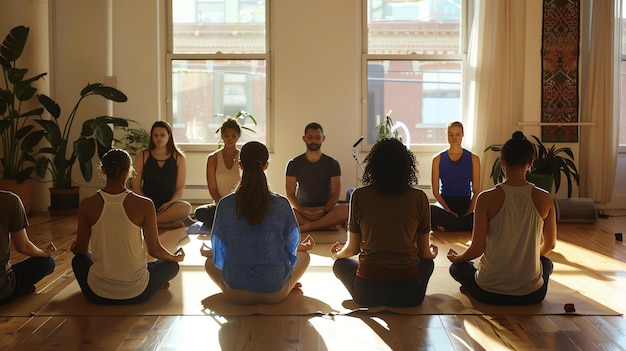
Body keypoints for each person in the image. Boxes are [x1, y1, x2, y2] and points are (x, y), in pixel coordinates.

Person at [447, 131, 557, 305]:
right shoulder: (545, 198)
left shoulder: (485, 198)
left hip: (488, 292)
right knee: (547, 264)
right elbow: (550, 244)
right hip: (532, 295)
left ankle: (470, 288)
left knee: (456, 268)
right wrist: (529, 259)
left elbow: (476, 249)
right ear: (530, 163)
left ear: (503, 162)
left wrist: (458, 258)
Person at [330, 138, 438, 307]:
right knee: (428, 263)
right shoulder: (420, 198)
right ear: (406, 166)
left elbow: (352, 249)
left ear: (374, 166)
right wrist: (433, 253)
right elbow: (424, 254)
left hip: (367, 292)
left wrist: (336, 254)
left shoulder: (359, 196)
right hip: (409, 295)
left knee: (340, 264)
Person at [202, 141, 311, 305]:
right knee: (305, 256)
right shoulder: (281, 204)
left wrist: (212, 253)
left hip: (236, 293)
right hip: (275, 292)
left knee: (209, 262)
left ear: (240, 165)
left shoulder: (225, 204)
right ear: (266, 166)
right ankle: (288, 284)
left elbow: (220, 251)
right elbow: (291, 247)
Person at [71, 149, 185, 305]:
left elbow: (81, 250)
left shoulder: (87, 204)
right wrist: (175, 257)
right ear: (129, 171)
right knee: (171, 266)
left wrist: (75, 247)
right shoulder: (144, 204)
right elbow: (155, 250)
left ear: (104, 170)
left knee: (79, 260)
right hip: (137, 293)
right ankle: (155, 282)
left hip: (96, 293)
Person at [285, 122, 349, 232]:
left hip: (326, 210)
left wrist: (324, 210)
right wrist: (301, 211)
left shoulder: (332, 163)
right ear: (304, 138)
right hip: (302, 210)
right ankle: (326, 225)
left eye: (317, 137)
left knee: (347, 209)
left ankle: (308, 227)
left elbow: (335, 193)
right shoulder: (294, 163)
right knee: (285, 211)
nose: (314, 141)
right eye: (310, 137)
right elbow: (290, 193)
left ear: (323, 138)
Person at [132, 121, 193, 228]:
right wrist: (148, 203)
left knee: (186, 208)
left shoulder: (179, 157)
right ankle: (164, 223)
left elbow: (179, 189)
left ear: (169, 136)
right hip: (146, 202)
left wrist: (169, 203)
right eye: (155, 135)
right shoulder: (142, 155)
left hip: (168, 205)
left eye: (162, 135)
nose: (159, 138)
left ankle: (152, 222)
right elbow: (136, 187)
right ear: (152, 137)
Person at [0, 191, 56, 304]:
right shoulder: (9, 201)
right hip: (2, 289)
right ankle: (19, 289)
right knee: (48, 263)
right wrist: (44, 253)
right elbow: (23, 246)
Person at [431, 121, 480, 232]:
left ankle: (450, 225)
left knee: (482, 215)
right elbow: (435, 192)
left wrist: (469, 212)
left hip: (465, 205)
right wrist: (449, 211)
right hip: (445, 204)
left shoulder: (474, 159)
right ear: (446, 135)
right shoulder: (437, 159)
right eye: (451, 134)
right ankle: (461, 225)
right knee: (430, 210)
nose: (454, 137)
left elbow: (476, 191)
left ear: (463, 134)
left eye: (457, 134)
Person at [194, 117, 242, 228]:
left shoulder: (242, 157)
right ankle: (231, 221)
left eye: (233, 136)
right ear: (221, 136)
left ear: (238, 136)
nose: (229, 139)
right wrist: (223, 204)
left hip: (240, 205)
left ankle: (228, 221)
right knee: (199, 212)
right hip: (220, 206)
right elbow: (213, 189)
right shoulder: (213, 158)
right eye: (226, 136)